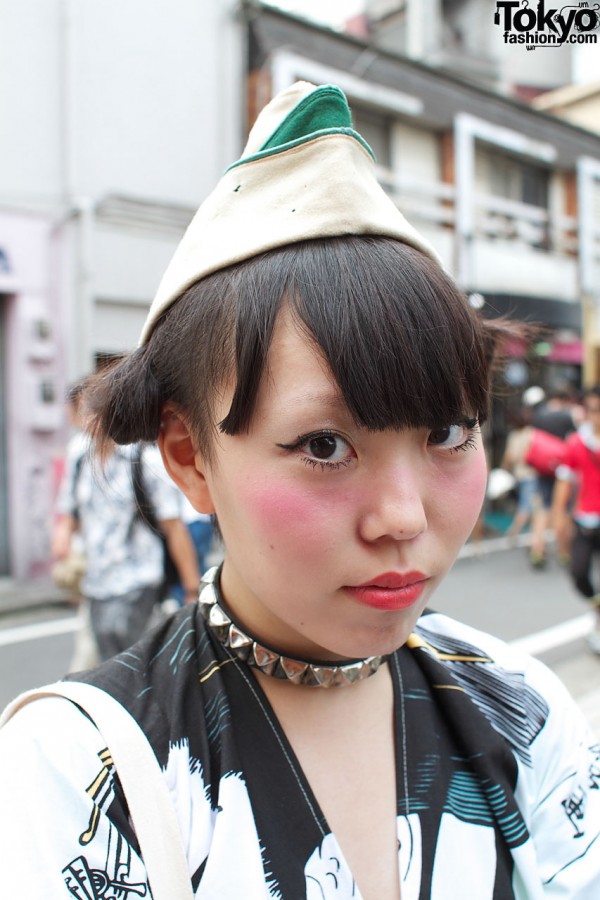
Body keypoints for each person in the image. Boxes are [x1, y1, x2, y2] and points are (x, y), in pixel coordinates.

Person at [0, 82, 598, 898]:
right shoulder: (81, 777)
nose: (404, 517)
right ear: (189, 456)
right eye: (326, 445)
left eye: (448, 433)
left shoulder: (523, 710)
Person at [51, 424, 200, 662]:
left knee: (135, 667)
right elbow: (70, 509)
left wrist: (192, 589)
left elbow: (173, 526)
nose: (90, 419)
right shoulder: (81, 459)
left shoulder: (144, 461)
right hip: (97, 583)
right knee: (106, 663)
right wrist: (63, 533)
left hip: (138, 583)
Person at [552, 385, 600, 655]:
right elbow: (565, 481)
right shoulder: (577, 443)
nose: (597, 416)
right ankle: (597, 606)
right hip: (585, 521)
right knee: (579, 573)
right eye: (593, 409)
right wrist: (559, 516)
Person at [500, 407, 538, 542]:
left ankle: (535, 535)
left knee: (530, 504)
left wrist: (503, 469)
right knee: (527, 506)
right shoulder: (532, 433)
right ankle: (513, 532)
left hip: (518, 474)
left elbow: (509, 457)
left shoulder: (514, 435)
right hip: (531, 474)